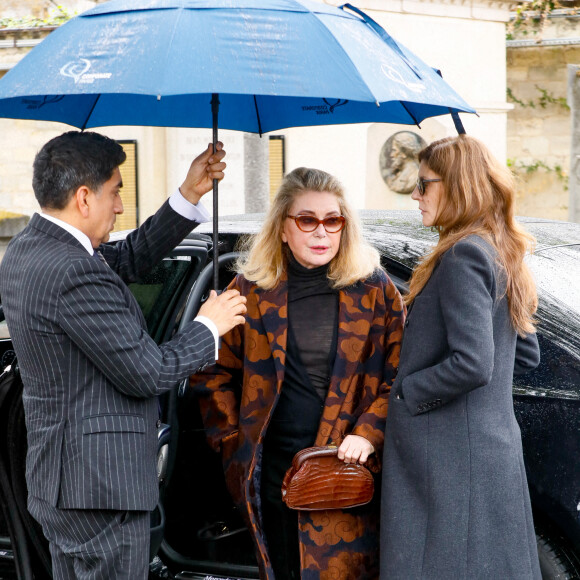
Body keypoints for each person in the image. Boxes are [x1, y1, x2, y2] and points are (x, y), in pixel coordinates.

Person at [0, 131, 247, 580]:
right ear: (83, 197)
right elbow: (149, 373)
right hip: (101, 491)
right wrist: (209, 324)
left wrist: (189, 193)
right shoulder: (72, 270)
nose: (118, 206)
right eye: (115, 191)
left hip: (65, 484)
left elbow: (129, 257)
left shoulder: (28, 250)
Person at [191, 167, 406, 580]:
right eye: (307, 220)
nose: (321, 232)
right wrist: (235, 444)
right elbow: (211, 372)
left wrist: (368, 433)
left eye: (333, 220)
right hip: (273, 474)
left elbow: (403, 376)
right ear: (284, 228)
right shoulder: (251, 289)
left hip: (347, 474)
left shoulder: (375, 290)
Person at [380, 135, 541, 579]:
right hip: (486, 452)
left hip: (448, 461)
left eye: (424, 184)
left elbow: (473, 363)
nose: (415, 194)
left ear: (458, 186)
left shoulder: (464, 255)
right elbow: (525, 353)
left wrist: (408, 393)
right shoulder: (498, 251)